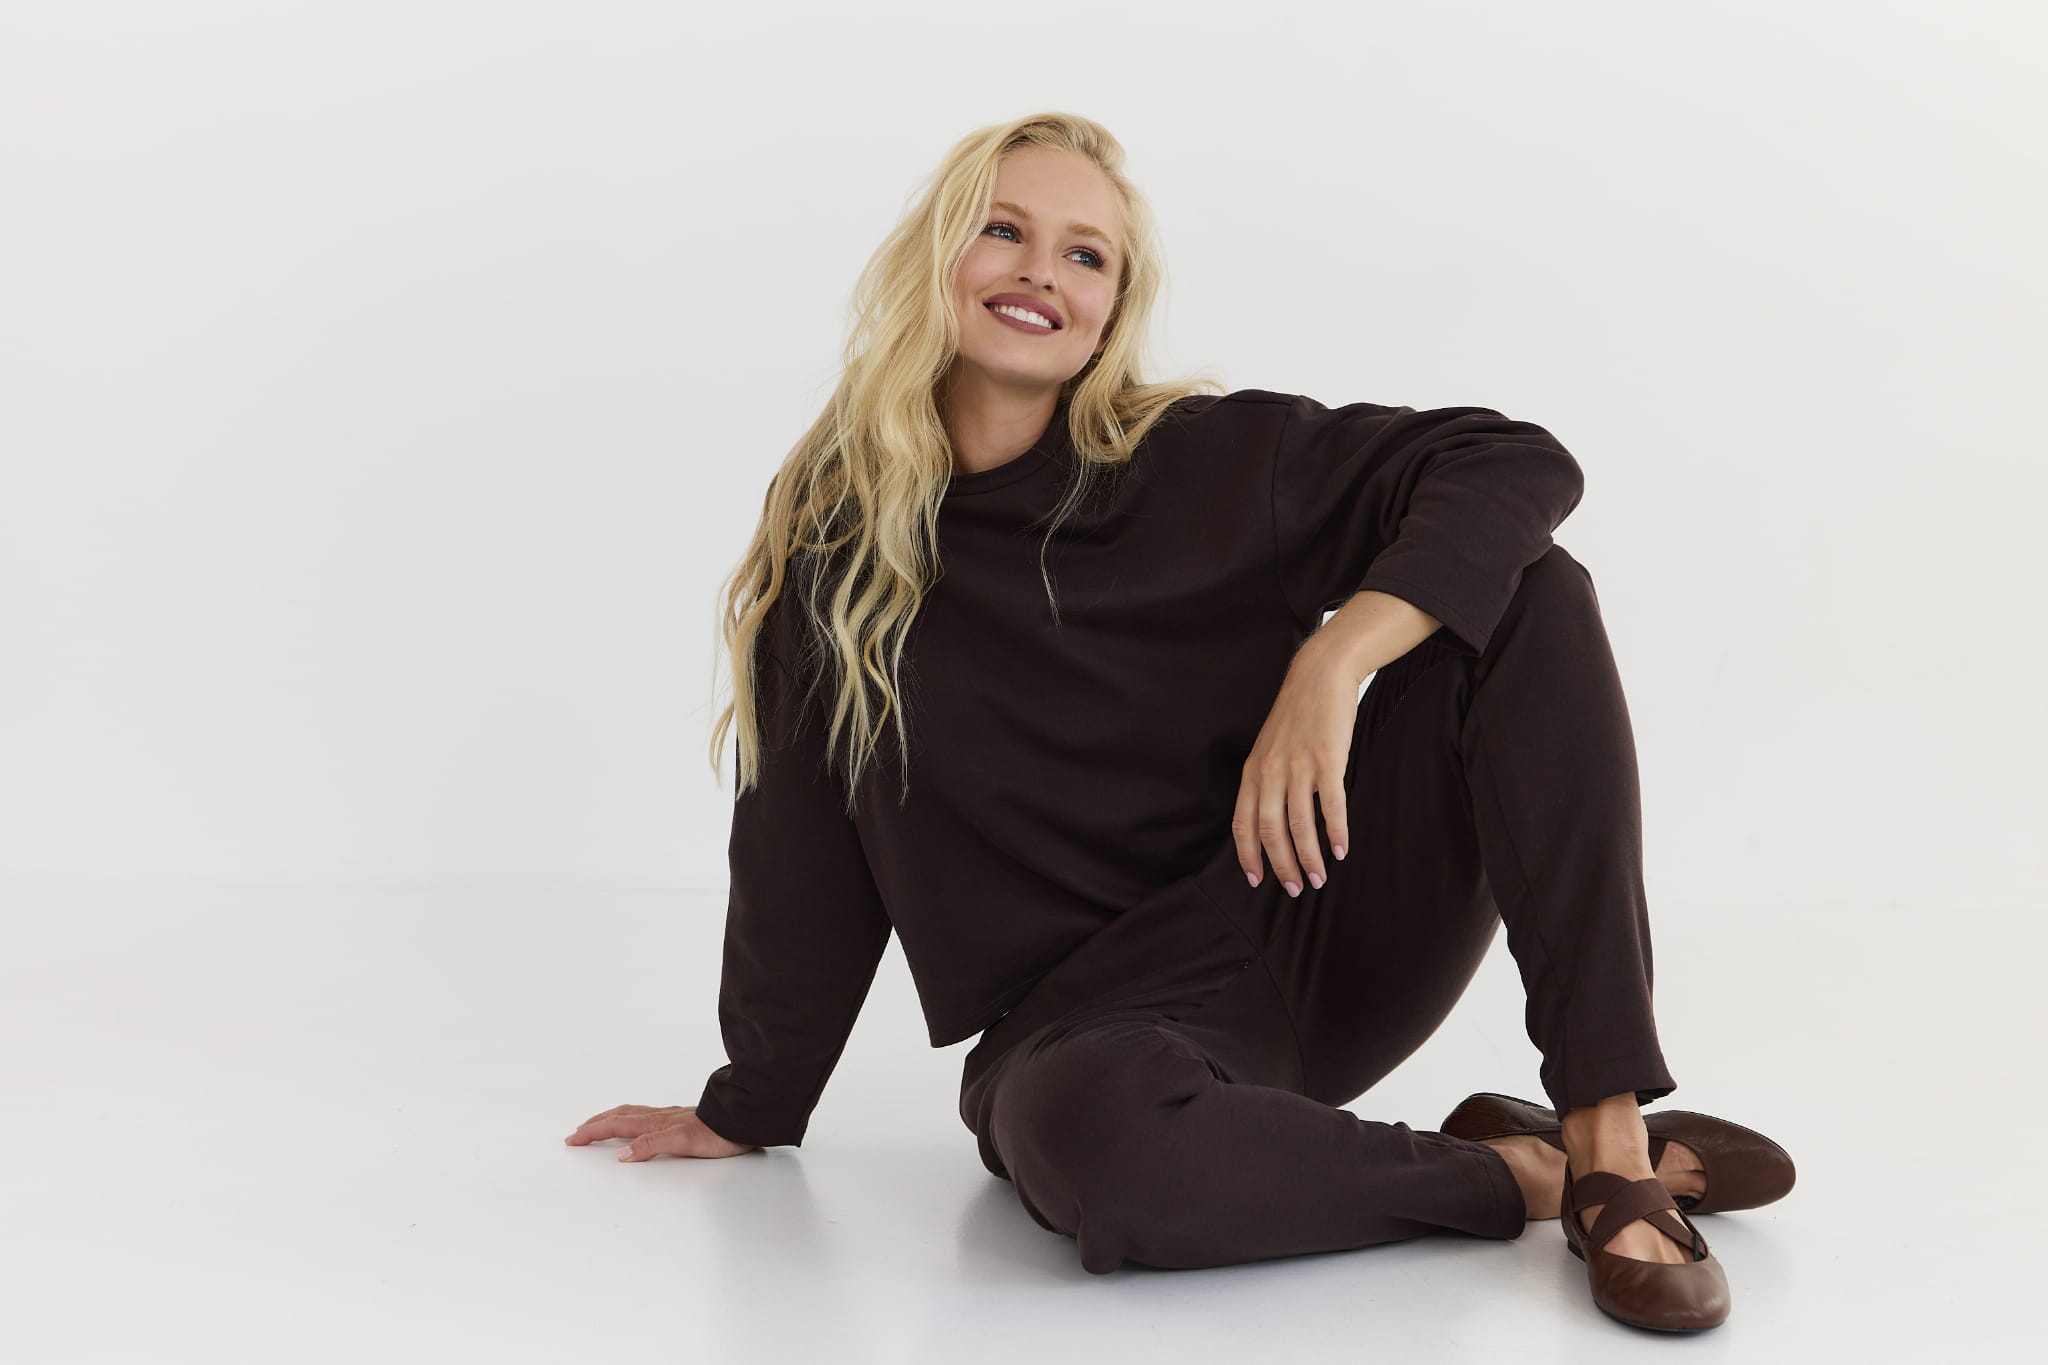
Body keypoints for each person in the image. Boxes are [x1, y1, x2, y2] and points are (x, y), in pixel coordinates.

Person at [563, 112, 1794, 1333]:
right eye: (1002, 231)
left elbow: (1509, 460)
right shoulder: (837, 548)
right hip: (1087, 1030)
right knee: (1102, 1152)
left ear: (1109, 309)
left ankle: (1605, 1139)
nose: (1040, 272)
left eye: (1084, 254)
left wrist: (1332, 658)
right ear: (934, 257)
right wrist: (751, 1103)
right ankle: (1518, 1176)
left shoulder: (1206, 460)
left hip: (1317, 916)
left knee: (1529, 592)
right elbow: (798, 847)